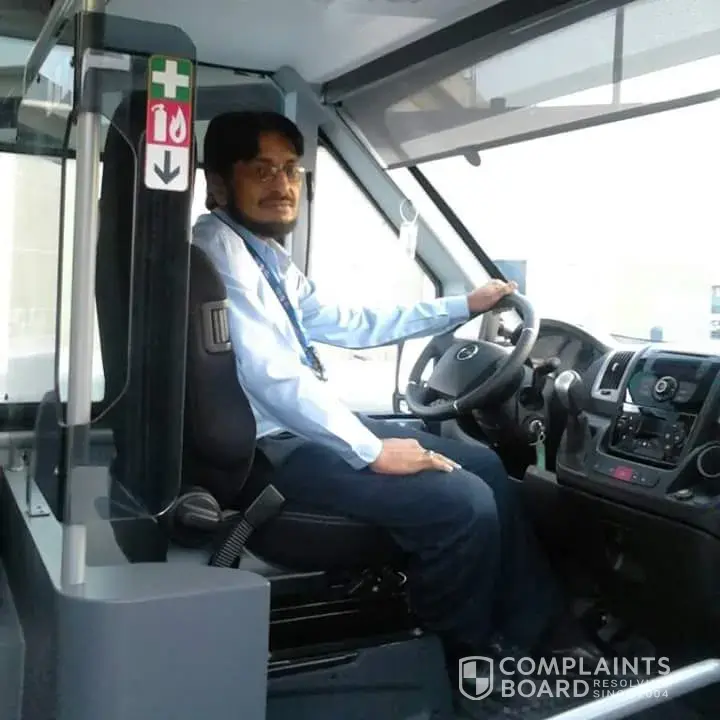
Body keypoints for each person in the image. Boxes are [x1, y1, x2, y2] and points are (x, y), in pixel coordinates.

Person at [193, 110, 604, 672]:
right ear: (219, 183)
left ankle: (537, 626)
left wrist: (461, 306)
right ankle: (464, 660)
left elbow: (347, 322)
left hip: (293, 427)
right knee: (463, 504)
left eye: (291, 170)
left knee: (484, 464)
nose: (283, 186)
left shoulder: (261, 253)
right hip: (272, 448)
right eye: (261, 171)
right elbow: (272, 374)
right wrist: (372, 450)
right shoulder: (220, 252)